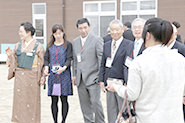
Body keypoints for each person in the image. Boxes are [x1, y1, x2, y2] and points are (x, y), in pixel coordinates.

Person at [107, 17, 185, 123]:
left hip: (148, 118)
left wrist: (116, 87)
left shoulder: (139, 62)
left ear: (147, 35)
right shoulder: (180, 59)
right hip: (174, 118)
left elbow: (131, 94)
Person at [6, 22, 45, 123]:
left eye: (21, 31)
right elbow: (13, 62)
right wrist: (10, 56)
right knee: (19, 101)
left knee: (32, 101)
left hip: (32, 76)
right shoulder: (17, 45)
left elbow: (42, 64)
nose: (19, 33)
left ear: (28, 32)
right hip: (20, 76)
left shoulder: (39, 46)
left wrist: (43, 76)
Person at [98, 20, 133, 123]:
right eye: (112, 30)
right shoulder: (106, 44)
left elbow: (128, 65)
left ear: (122, 30)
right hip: (109, 83)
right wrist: (101, 80)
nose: (115, 32)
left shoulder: (129, 44)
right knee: (111, 111)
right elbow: (103, 64)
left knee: (123, 111)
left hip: (122, 84)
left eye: (117, 29)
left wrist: (127, 81)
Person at [72, 18, 105, 123]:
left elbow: (101, 59)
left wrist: (101, 77)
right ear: (78, 29)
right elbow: (75, 60)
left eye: (85, 27)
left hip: (93, 77)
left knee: (95, 103)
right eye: (80, 28)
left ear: (89, 27)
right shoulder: (75, 42)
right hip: (80, 79)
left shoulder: (97, 39)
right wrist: (74, 75)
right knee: (84, 105)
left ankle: (100, 121)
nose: (83, 30)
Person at [44, 24, 73, 123]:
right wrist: (46, 67)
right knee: (54, 100)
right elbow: (46, 59)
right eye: (56, 34)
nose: (58, 36)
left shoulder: (68, 44)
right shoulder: (49, 45)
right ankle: (55, 121)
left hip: (64, 75)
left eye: (60, 33)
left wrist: (64, 68)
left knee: (64, 99)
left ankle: (63, 121)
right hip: (53, 76)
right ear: (53, 34)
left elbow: (69, 58)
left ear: (63, 33)